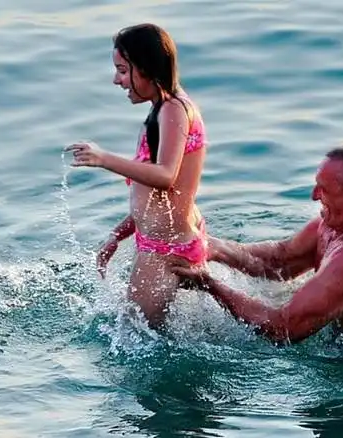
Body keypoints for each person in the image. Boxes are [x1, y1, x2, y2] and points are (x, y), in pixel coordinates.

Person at [173, 142, 343, 344]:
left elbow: (282, 329)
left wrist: (209, 284)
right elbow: (281, 260)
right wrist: (213, 247)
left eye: (323, 189)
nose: (314, 196)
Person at [66, 24, 208, 328]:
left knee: (133, 332)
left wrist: (103, 159)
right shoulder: (164, 109)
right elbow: (160, 198)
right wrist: (118, 234)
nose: (116, 80)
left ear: (146, 68)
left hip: (164, 250)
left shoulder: (173, 109)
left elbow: (165, 175)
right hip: (166, 241)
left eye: (122, 71)